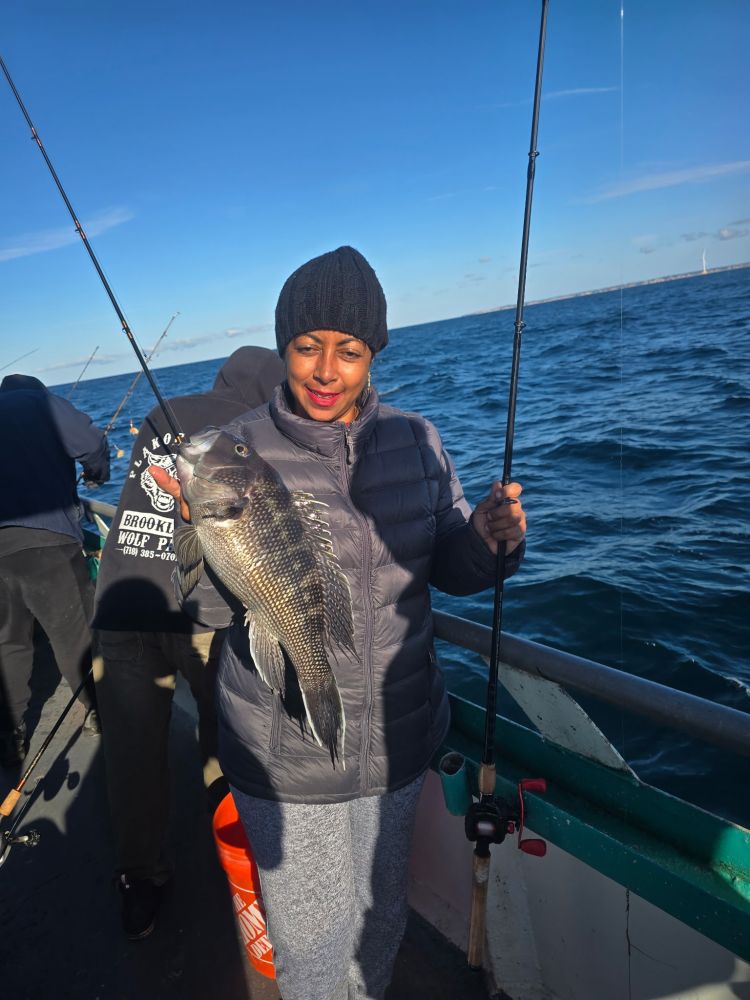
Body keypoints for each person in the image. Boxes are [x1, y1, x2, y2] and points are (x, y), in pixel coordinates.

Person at [151, 247, 526, 1000]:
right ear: (284, 349)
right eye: (306, 347)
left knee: (381, 916)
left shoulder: (419, 442)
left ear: (372, 354)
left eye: (348, 351)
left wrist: (486, 545)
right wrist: (200, 533)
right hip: (284, 753)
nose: (326, 370)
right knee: (314, 952)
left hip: (399, 738)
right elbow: (215, 610)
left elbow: (445, 566)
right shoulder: (242, 450)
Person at [92, 346, 284, 940]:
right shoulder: (251, 434)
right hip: (196, 615)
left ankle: (139, 883)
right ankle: (239, 863)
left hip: (122, 601)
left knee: (131, 752)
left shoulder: (165, 410)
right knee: (224, 739)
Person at [0, 373, 110, 767]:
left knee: (8, 645)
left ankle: (11, 738)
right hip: (50, 544)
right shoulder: (42, 403)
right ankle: (101, 711)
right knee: (74, 638)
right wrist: (98, 473)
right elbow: (92, 444)